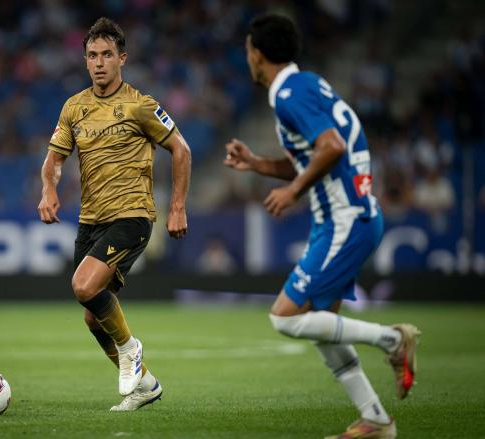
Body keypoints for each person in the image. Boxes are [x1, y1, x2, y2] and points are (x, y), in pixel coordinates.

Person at [224, 14, 420, 438]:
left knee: (285, 318)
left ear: (256, 54)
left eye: (247, 51)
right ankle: (376, 421)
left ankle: (391, 340)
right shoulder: (307, 85)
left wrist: (293, 191)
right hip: (346, 216)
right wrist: (257, 163)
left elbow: (330, 147)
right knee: (321, 326)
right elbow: (313, 155)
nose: (247, 58)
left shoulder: (289, 95)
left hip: (345, 218)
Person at [38, 17, 191, 412]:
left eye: (107, 54)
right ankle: (146, 386)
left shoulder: (141, 106)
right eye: (92, 55)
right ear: (85, 60)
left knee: (85, 287)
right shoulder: (74, 107)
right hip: (91, 221)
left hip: (132, 215)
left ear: (122, 58)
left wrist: (177, 207)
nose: (99, 62)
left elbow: (182, 150)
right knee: (93, 317)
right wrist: (50, 189)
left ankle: (131, 349)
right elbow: (54, 159)